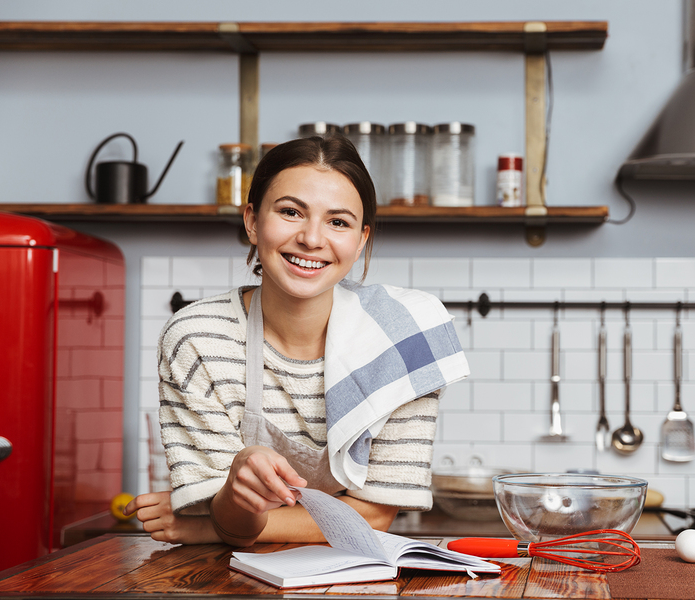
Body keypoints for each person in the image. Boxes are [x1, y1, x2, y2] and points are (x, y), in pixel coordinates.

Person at [125, 135, 469, 546]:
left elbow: (375, 514)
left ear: (360, 240)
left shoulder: (405, 336)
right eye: (290, 212)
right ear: (252, 221)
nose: (311, 238)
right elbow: (225, 513)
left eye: (338, 222)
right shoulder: (197, 339)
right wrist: (239, 478)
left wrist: (204, 530)